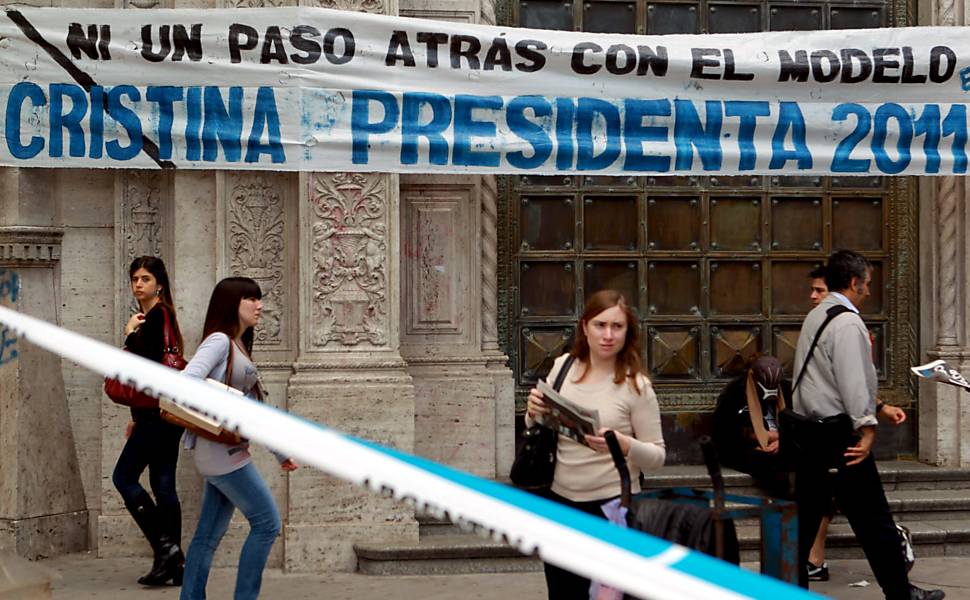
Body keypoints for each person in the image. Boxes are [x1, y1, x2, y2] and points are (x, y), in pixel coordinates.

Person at [792, 250, 943, 600]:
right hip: (838, 437)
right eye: (868, 284)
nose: (870, 291)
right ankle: (901, 594)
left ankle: (786, 589)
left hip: (812, 433)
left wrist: (879, 407)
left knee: (808, 519)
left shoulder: (819, 314)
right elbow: (852, 381)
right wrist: (868, 427)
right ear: (854, 282)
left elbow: (828, 377)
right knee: (874, 519)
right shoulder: (847, 322)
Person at [526, 290, 666, 600]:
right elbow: (539, 424)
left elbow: (657, 456)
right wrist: (533, 413)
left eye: (617, 326)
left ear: (627, 332)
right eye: (600, 325)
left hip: (612, 509)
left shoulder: (636, 385)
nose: (608, 335)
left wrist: (624, 444)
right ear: (585, 327)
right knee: (564, 593)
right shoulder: (563, 367)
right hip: (561, 504)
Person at [179, 277, 298, 600]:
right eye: (251, 299)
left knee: (207, 536)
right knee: (267, 524)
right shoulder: (219, 341)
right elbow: (187, 381)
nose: (259, 306)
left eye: (259, 299)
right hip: (222, 453)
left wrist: (279, 452)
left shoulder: (237, 344)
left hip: (221, 451)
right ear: (232, 304)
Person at [112, 256, 187, 586]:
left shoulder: (157, 316)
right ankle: (173, 565)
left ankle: (166, 547)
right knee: (163, 486)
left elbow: (146, 364)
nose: (139, 284)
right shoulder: (161, 317)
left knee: (123, 477)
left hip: (157, 419)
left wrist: (130, 334)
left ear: (160, 284)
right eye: (135, 279)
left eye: (145, 278)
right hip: (162, 415)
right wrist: (135, 416)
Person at [712, 355, 791, 498]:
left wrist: (782, 441)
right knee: (771, 463)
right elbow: (727, 435)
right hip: (746, 448)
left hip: (781, 444)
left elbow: (797, 424)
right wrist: (760, 440)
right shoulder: (735, 392)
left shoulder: (786, 389)